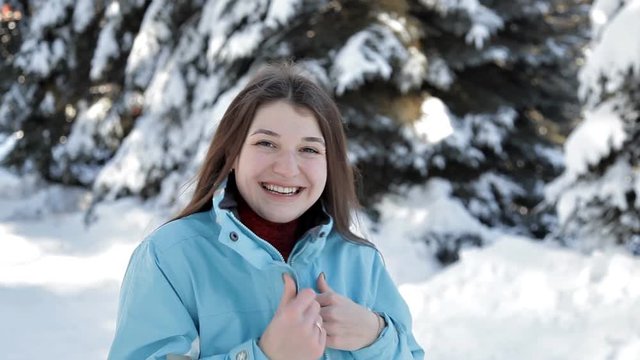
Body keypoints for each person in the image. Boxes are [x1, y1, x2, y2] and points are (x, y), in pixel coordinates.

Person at [108, 62, 425, 360]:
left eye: (309, 149)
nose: (287, 169)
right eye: (266, 144)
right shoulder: (170, 258)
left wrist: (375, 336)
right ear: (232, 154)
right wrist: (263, 355)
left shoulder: (360, 261)